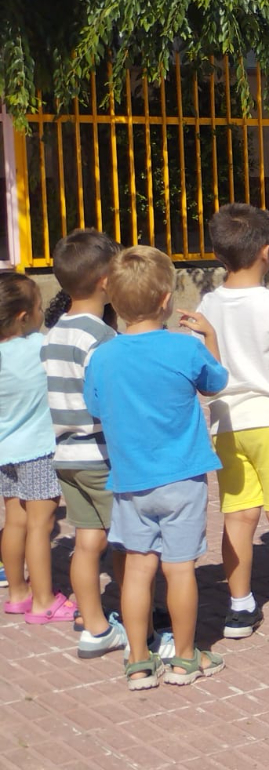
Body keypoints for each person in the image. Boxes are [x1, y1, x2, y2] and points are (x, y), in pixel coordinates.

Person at [83, 247, 231, 689]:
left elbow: (95, 406)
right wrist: (210, 337)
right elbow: (216, 383)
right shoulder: (184, 347)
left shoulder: (102, 356)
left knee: (138, 568)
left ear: (114, 300)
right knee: (180, 569)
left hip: (130, 480)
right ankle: (185, 658)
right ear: (166, 299)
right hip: (182, 477)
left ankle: (138, 661)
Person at [195, 204, 269, 642]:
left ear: (219, 254)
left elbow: (204, 369)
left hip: (226, 421)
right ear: (266, 251)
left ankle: (239, 606)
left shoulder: (206, 305)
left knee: (237, 516)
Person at [42, 230, 126, 656]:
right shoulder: (100, 337)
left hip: (66, 456)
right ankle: (136, 615)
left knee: (87, 541)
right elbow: (109, 399)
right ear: (106, 281)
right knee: (126, 541)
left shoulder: (53, 333)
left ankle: (93, 625)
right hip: (100, 454)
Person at [0, 272, 67, 624]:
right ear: (24, 316)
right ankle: (43, 600)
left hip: (5, 452)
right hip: (39, 449)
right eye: (40, 307)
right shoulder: (40, 346)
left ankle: (17, 593)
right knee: (42, 525)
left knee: (15, 522)